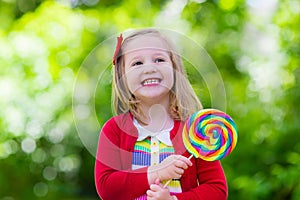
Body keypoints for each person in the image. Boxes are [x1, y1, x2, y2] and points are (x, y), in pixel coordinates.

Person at [94, 28, 228, 200]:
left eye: (159, 59)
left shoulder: (196, 131)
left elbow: (217, 190)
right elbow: (107, 188)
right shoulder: (114, 129)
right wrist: (156, 172)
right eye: (137, 63)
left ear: (175, 69)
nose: (149, 68)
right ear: (122, 76)